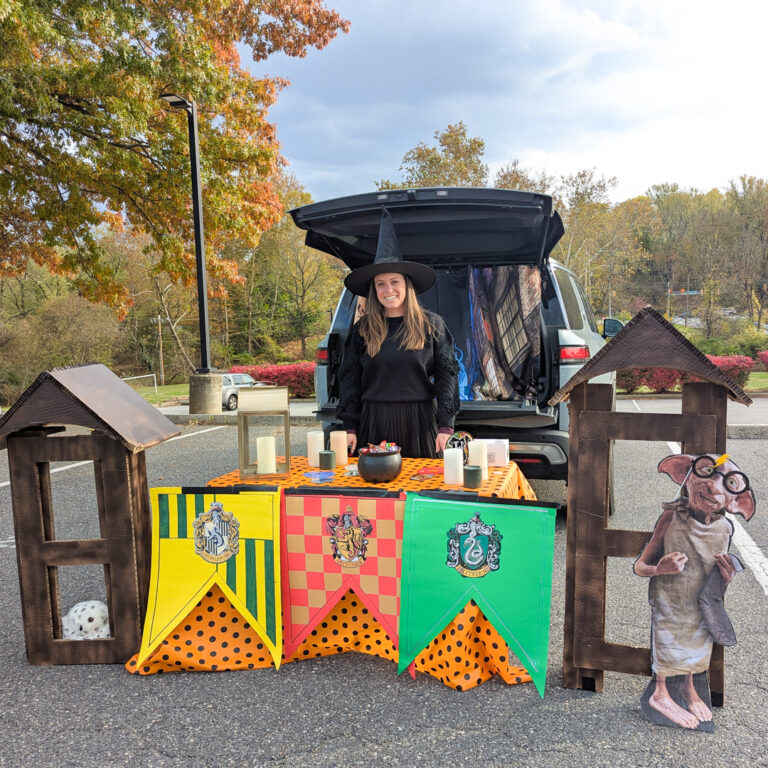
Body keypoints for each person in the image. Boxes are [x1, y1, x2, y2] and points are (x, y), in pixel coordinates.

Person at [337, 210, 459, 458]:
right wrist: (349, 426)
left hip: (420, 424)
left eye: (394, 281)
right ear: (374, 290)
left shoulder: (431, 326)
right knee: (377, 492)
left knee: (419, 489)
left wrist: (446, 425)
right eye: (380, 284)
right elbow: (350, 381)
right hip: (374, 423)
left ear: (407, 285)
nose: (388, 289)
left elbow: (448, 377)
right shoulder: (362, 330)